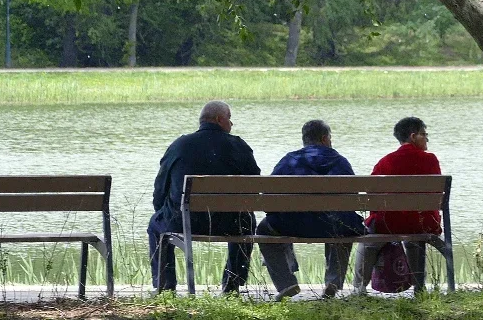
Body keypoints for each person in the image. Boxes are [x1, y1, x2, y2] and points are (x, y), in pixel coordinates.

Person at [148, 101, 259, 294]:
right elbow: (254, 189)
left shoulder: (179, 145)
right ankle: (232, 284)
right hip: (230, 223)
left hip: (183, 221)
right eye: (230, 118)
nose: (232, 124)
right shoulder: (239, 146)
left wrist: (161, 211)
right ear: (218, 119)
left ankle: (165, 286)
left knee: (155, 225)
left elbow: (160, 188)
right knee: (247, 220)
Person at [257, 120, 366, 301]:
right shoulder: (340, 161)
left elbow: (269, 201)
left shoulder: (289, 161)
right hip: (333, 226)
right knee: (344, 223)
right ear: (324, 139)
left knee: (263, 231)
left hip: (293, 225)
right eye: (330, 138)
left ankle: (286, 284)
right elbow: (352, 200)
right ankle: (333, 281)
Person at [352, 117, 442, 294]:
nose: (427, 139)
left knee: (368, 241)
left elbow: (371, 195)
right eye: (424, 135)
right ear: (413, 136)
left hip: (389, 223)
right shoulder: (430, 160)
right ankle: (419, 287)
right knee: (414, 239)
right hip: (424, 223)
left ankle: (359, 287)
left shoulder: (386, 161)